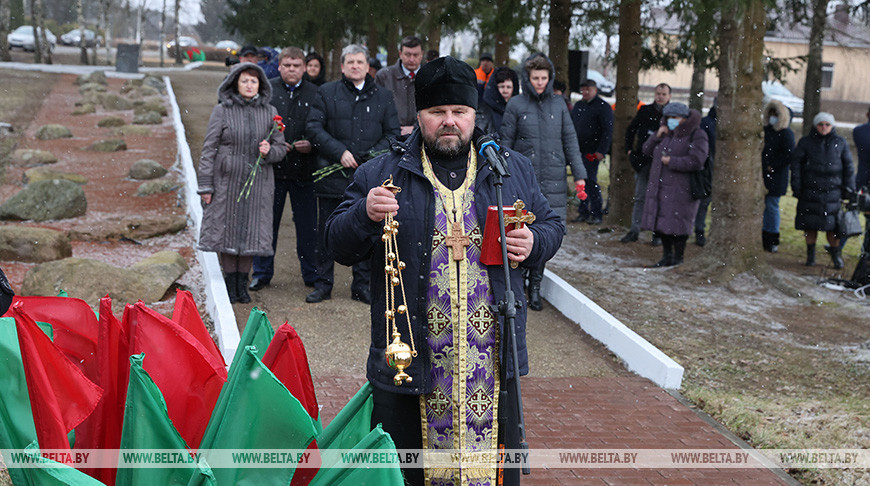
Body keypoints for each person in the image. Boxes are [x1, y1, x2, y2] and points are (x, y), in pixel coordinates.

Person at [324, 55, 563, 486]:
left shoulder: (507, 170)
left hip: (490, 363)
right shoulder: (384, 171)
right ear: (418, 116)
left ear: (475, 114)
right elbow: (337, 244)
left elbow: (550, 225)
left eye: (459, 112)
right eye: (437, 113)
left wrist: (535, 243)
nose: (449, 122)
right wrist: (364, 212)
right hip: (411, 362)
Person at [305, 44, 400, 304]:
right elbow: (313, 127)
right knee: (326, 230)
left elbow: (392, 133)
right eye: (350, 62)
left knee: (366, 230)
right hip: (333, 175)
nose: (355, 66)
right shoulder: (327, 92)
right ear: (343, 65)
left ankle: (362, 286)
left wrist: (369, 158)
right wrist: (340, 152)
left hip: (367, 177)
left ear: (367, 66)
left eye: (360, 61)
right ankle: (323, 284)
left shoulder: (383, 96)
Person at [500, 53, 586, 311]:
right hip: (523, 180)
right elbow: (506, 142)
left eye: (544, 78)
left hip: (553, 180)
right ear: (528, 78)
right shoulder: (515, 105)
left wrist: (580, 174)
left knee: (546, 232)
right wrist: (502, 172)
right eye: (535, 78)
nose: (539, 82)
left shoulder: (559, 105)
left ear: (550, 79)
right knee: (520, 232)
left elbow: (570, 140)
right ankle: (519, 283)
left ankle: (535, 286)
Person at [197, 63, 287, 303]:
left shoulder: (270, 112)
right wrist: (206, 185)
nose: (249, 85)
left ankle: (242, 285)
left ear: (261, 85)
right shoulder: (222, 111)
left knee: (251, 233)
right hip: (226, 181)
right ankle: (229, 282)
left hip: (258, 183)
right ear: (235, 82)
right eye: (245, 81)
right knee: (227, 231)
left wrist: (270, 151)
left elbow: (281, 148)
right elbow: (209, 149)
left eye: (254, 81)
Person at [249, 47, 320, 292]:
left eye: (296, 65)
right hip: (273, 171)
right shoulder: (267, 90)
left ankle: (311, 273)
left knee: (308, 226)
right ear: (279, 66)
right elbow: (257, 125)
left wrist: (314, 145)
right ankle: (261, 272)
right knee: (267, 225)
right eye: (287, 65)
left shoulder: (316, 93)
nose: (291, 70)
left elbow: (324, 127)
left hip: (305, 171)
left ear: (304, 67)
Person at [641, 102, 708, 267]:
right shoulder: (665, 134)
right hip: (661, 187)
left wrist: (673, 162)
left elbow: (697, 160)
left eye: (675, 118)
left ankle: (678, 257)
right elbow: (646, 150)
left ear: (684, 119)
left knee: (679, 224)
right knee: (662, 224)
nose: (671, 121)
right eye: (668, 117)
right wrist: (656, 136)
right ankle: (667, 256)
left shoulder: (696, 135)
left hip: (682, 189)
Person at [791, 112, 855, 269]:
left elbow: (849, 167)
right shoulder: (806, 142)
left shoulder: (840, 142)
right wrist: (796, 187)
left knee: (833, 227)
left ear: (832, 126)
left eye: (827, 124)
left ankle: (836, 255)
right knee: (810, 225)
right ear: (815, 126)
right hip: (810, 191)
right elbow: (796, 166)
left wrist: (849, 190)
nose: (824, 127)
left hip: (833, 192)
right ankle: (810, 255)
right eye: (820, 124)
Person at [622, 83, 671, 244]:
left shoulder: (673, 116)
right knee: (640, 197)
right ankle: (634, 230)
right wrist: (629, 149)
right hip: (644, 161)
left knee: (660, 199)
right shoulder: (645, 111)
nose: (660, 97)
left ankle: (658, 233)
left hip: (664, 164)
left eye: (664, 94)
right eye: (658, 93)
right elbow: (631, 129)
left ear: (669, 96)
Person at [571, 79, 614, 225]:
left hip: (592, 152)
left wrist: (602, 150)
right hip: (577, 151)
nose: (585, 92)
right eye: (583, 90)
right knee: (580, 182)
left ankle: (596, 213)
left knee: (591, 182)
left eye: (588, 89)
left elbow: (608, 131)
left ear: (595, 90)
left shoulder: (603, 107)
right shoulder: (578, 106)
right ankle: (583, 211)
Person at [761, 99, 795, 253]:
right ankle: (763, 235)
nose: (773, 116)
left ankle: (772, 238)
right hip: (763, 174)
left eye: (776, 114)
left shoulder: (786, 133)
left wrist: (772, 165)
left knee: (772, 206)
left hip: (777, 176)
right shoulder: (765, 131)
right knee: (764, 207)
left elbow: (788, 154)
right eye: (771, 113)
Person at [375, 35, 424, 136]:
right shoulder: (384, 76)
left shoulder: (431, 76)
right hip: (390, 136)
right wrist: (395, 128)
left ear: (422, 54)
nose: (411, 59)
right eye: (407, 54)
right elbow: (377, 109)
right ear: (400, 54)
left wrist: (416, 127)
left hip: (422, 135)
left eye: (415, 55)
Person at [694, 102, 717, 246]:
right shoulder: (707, 123)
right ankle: (699, 230)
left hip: (715, 167)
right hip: (708, 168)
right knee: (703, 202)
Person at [475, 66, 518, 134]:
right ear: (495, 88)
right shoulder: (484, 111)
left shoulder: (518, 110)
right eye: (501, 87)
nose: (505, 91)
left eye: (509, 87)